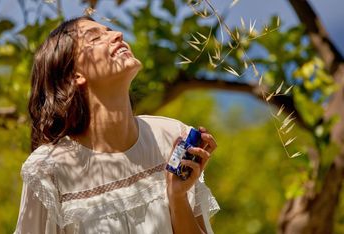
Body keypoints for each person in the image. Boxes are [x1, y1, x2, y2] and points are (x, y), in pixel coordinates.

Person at [14, 16, 219, 234]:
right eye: (95, 38)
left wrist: (177, 197)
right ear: (74, 76)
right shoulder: (47, 170)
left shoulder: (172, 138)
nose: (117, 35)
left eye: (110, 30)